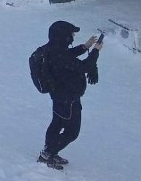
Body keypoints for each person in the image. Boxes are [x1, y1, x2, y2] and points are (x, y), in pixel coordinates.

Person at [37, 20, 102, 170]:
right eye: (71, 34)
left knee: (57, 123)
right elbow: (84, 67)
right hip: (68, 99)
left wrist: (85, 47)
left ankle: (49, 151)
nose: (72, 36)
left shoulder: (53, 49)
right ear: (63, 36)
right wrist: (96, 51)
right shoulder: (59, 54)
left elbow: (68, 55)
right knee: (72, 131)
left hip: (59, 96)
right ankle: (49, 153)